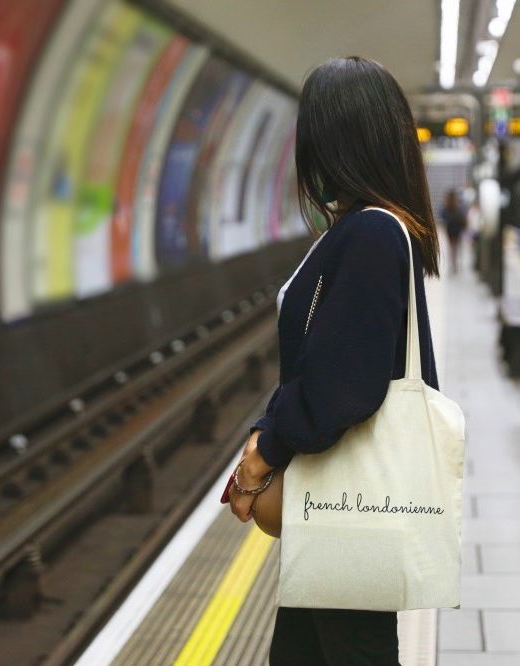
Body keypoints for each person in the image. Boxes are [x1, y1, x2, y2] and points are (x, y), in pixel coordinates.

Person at [228, 55, 440, 666]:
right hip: (337, 509)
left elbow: (344, 381)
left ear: (337, 143)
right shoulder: (364, 229)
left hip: (351, 505)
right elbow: (324, 356)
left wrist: (265, 451)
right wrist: (266, 432)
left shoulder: (372, 233)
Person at [440, 189, 467, 273]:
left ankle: (453, 263)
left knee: (451, 247)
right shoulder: (457, 206)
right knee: (455, 247)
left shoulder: (447, 205)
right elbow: (462, 217)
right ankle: (455, 263)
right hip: (456, 229)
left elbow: (443, 215)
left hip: (450, 228)